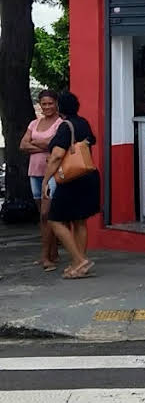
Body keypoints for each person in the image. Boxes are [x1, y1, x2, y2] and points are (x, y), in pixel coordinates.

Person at [41, 92, 100, 279]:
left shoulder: (65, 127)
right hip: (88, 176)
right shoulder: (83, 123)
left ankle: (80, 260)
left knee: (55, 219)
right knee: (79, 220)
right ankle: (78, 262)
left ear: (60, 108)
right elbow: (91, 140)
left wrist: (46, 180)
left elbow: (57, 155)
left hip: (71, 179)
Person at [19, 90, 62, 271]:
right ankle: (52, 252)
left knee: (46, 215)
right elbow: (22, 145)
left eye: (50, 103)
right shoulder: (34, 123)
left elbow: (52, 145)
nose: (47, 107)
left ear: (56, 103)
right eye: (44, 104)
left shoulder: (61, 124)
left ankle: (45, 257)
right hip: (34, 172)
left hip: (51, 173)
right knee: (43, 216)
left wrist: (34, 144)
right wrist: (42, 146)